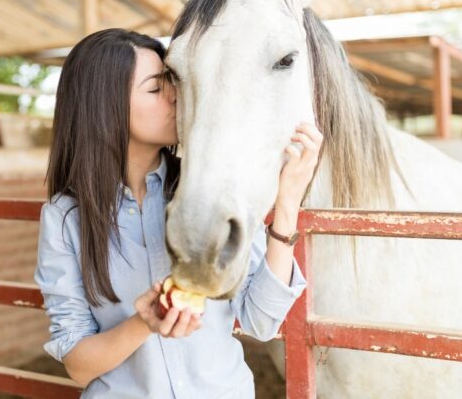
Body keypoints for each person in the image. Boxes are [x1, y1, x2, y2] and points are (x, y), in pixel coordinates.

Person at [34, 28, 323, 398]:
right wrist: (145, 322)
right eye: (155, 89)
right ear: (104, 108)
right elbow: (77, 366)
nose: (176, 97)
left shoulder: (208, 189)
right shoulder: (65, 219)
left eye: (171, 82)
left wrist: (287, 201)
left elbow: (261, 320)